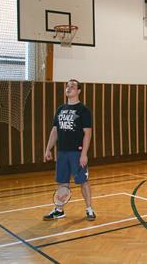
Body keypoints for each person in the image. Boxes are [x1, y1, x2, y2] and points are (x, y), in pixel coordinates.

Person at [43, 79, 96, 221]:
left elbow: (88, 133)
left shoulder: (84, 110)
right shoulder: (60, 109)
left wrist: (84, 154)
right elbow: (54, 131)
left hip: (77, 153)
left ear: (78, 91)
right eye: (67, 86)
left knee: (83, 181)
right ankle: (59, 210)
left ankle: (89, 209)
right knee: (62, 182)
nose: (69, 88)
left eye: (72, 86)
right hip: (62, 152)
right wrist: (48, 149)